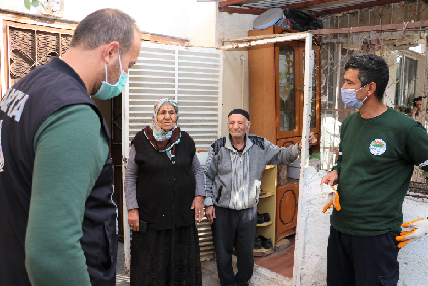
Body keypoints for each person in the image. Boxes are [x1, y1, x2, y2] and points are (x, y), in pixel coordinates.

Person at [0, 8, 141, 286]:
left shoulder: (29, 85)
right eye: (129, 65)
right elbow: (53, 252)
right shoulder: (73, 114)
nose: (125, 76)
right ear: (111, 52)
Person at [321, 54, 428, 286]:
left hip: (376, 236)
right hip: (340, 227)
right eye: (344, 81)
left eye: (350, 83)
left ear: (370, 87)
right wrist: (335, 173)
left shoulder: (406, 129)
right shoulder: (349, 123)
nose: (343, 88)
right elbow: (345, 160)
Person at [204, 109, 317, 286]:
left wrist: (300, 146)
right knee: (223, 251)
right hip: (222, 209)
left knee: (246, 252)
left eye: (240, 123)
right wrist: (209, 203)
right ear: (228, 125)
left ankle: (242, 282)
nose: (236, 127)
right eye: (232, 123)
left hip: (248, 210)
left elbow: (282, 156)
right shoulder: (217, 147)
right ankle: (227, 283)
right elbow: (207, 176)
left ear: (248, 125)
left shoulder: (260, 145)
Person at [124, 98, 204, 286]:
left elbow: (197, 171)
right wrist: (132, 208)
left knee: (181, 262)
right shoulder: (141, 140)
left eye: (172, 112)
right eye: (163, 112)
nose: (167, 116)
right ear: (155, 115)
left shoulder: (185, 140)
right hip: (151, 216)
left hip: (182, 215)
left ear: (176, 116)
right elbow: (130, 177)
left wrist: (199, 196)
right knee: (152, 264)